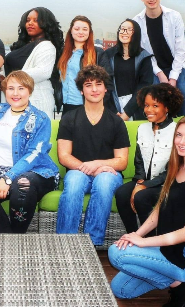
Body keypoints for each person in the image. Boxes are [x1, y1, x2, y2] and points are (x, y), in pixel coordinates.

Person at [109, 115, 185, 307]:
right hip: (168, 250)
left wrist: (143, 242)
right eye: (179, 135)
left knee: (116, 253)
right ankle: (177, 282)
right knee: (121, 289)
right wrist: (136, 235)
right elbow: (158, 211)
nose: (182, 142)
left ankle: (183, 283)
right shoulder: (176, 167)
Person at [0, 70, 59, 233]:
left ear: (29, 91)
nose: (15, 93)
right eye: (11, 88)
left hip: (35, 172)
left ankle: (17, 236)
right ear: (5, 90)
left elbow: (35, 154)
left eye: (21, 88)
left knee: (22, 184)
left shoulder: (40, 118)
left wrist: (8, 177)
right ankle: (11, 240)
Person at [56, 65, 130, 246]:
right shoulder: (69, 118)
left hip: (108, 174)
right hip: (77, 171)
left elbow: (122, 161)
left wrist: (97, 165)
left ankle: (92, 243)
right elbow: (64, 156)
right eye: (88, 85)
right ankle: (65, 241)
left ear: (105, 89)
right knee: (74, 181)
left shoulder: (117, 122)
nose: (94, 89)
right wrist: (89, 169)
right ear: (81, 90)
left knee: (104, 181)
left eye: (99, 84)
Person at [115, 83, 183, 235]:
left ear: (167, 107)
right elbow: (138, 160)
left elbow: (173, 169)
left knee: (141, 197)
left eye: (155, 105)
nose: (148, 110)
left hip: (167, 184)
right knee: (121, 194)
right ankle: (133, 235)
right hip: (144, 180)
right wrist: (140, 181)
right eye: (146, 105)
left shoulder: (177, 131)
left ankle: (150, 239)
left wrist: (145, 186)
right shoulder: (142, 129)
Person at [133, 0, 185, 117]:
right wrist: (160, 74)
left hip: (176, 65)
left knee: (183, 92)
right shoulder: (137, 21)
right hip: (153, 68)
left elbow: (180, 50)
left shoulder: (174, 16)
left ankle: (178, 122)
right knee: (153, 98)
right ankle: (158, 124)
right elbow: (143, 53)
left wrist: (173, 78)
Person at [4, 7, 64, 119]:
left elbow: (43, 72)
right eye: (28, 20)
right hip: (17, 101)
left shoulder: (47, 46)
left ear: (46, 24)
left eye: (36, 20)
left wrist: (11, 79)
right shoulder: (23, 45)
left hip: (37, 101)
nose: (30, 23)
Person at [56, 15, 116, 114]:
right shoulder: (63, 53)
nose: (80, 32)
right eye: (77, 29)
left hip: (88, 106)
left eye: (85, 29)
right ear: (71, 31)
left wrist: (98, 104)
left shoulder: (98, 53)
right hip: (66, 105)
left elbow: (108, 82)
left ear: (89, 32)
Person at [106, 19, 153, 120]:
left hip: (136, 107)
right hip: (113, 107)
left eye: (129, 30)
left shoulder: (144, 57)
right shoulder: (109, 55)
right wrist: (113, 110)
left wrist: (127, 112)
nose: (124, 32)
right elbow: (105, 82)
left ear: (136, 33)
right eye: (122, 29)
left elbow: (145, 85)